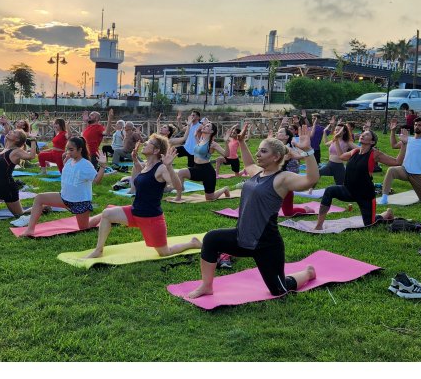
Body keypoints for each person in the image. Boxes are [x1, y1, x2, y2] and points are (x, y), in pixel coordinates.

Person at [185, 125, 321, 299]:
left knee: (279, 290)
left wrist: (308, 151)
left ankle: (308, 273)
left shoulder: (282, 178)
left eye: (263, 151)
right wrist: (241, 142)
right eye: (258, 150)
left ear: (276, 156)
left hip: (266, 244)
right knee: (211, 239)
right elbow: (248, 163)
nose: (258, 154)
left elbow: (311, 179)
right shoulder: (258, 173)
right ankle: (206, 286)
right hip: (242, 237)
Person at [84, 135, 199, 259]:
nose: (145, 143)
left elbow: (179, 187)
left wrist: (169, 167)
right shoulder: (146, 165)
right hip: (135, 212)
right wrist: (134, 160)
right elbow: (141, 178)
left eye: (149, 143)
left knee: (165, 252)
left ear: (156, 151)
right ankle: (98, 250)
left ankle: (192, 243)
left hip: (151, 218)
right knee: (106, 214)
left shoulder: (161, 168)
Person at [313, 129, 408, 230]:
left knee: (369, 225)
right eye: (362, 133)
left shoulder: (374, 154)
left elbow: (397, 162)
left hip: (365, 195)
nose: (362, 135)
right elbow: (341, 156)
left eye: (366, 135)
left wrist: (404, 144)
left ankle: (387, 213)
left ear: (372, 142)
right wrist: (336, 140)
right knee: (329, 190)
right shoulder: (354, 151)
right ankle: (319, 225)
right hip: (348, 190)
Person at [16, 137, 107, 235]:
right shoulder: (69, 160)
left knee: (84, 227)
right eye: (67, 149)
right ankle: (30, 229)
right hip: (64, 198)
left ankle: (104, 214)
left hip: (79, 202)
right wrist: (66, 158)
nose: (68, 152)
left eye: (71, 150)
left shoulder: (86, 165)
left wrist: (102, 166)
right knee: (39, 198)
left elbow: (96, 180)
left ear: (80, 150)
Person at [173, 121, 231, 202]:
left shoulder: (212, 144)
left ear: (211, 131)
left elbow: (226, 154)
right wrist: (196, 134)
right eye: (205, 125)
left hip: (207, 172)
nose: (204, 126)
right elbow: (198, 146)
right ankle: (179, 196)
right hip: (196, 168)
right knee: (181, 173)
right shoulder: (201, 140)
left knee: (210, 198)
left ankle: (225, 189)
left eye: (207, 126)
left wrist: (226, 141)